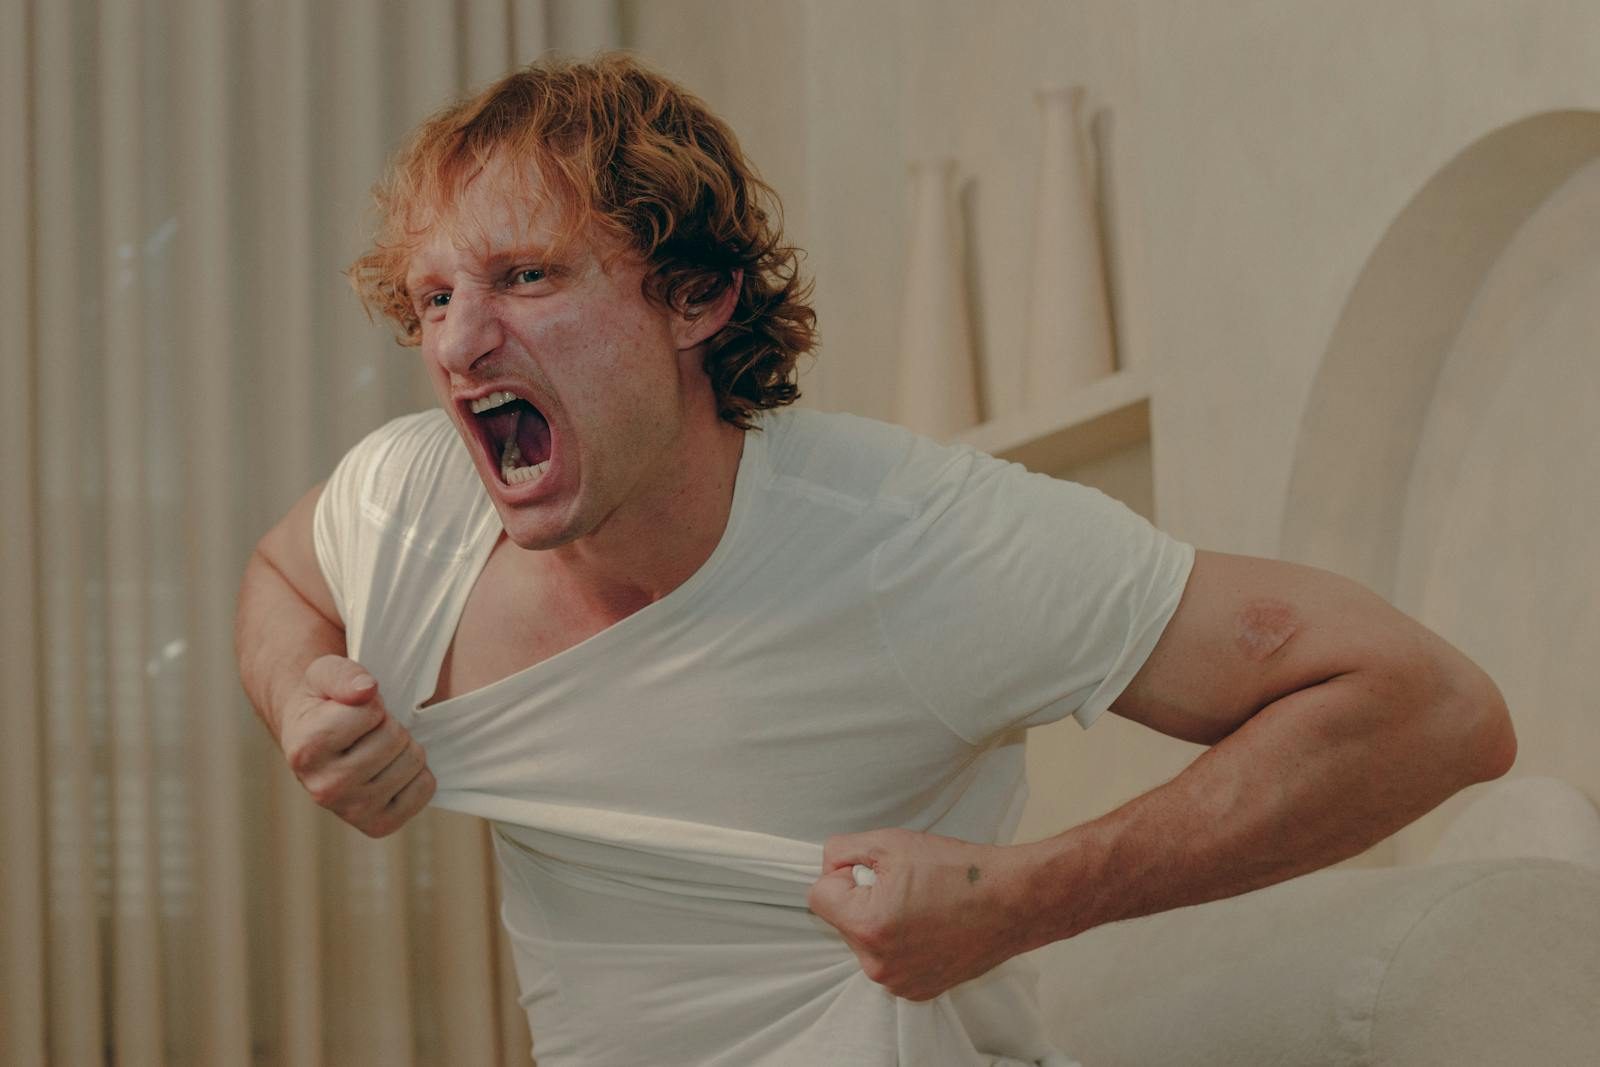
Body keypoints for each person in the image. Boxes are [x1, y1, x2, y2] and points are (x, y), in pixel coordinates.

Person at [234, 53, 1516, 1065]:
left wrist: (1024, 895)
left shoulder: (913, 540)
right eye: (435, 295)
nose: (458, 343)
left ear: (695, 297)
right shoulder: (410, 506)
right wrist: (300, 694)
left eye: (524, 275)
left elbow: (1433, 706)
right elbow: (281, 579)